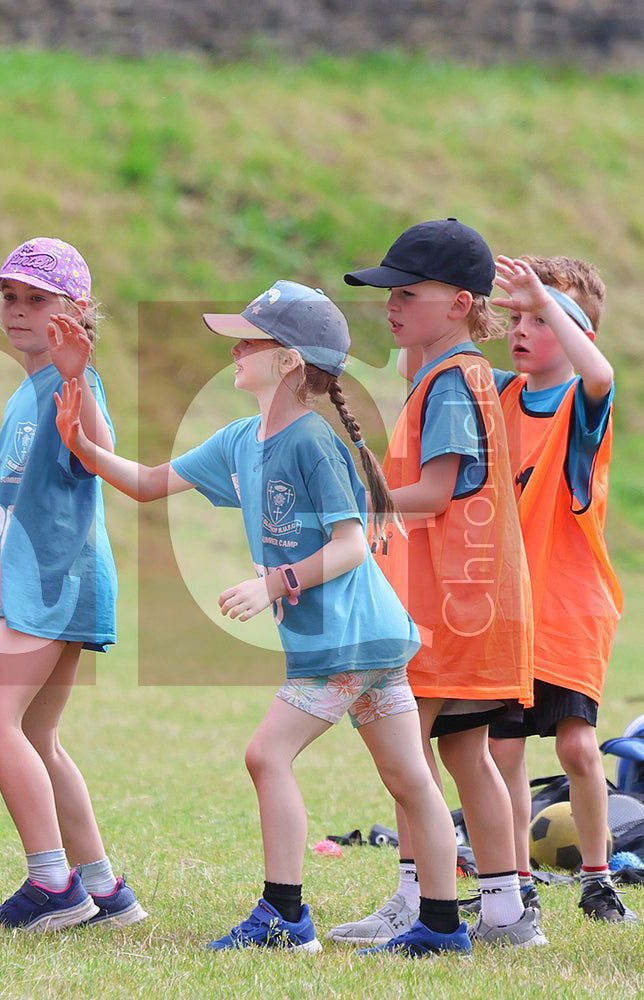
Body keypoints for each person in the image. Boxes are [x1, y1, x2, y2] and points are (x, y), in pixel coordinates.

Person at [57, 280, 468, 955]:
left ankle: (285, 917)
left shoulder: (311, 441)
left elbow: (351, 543)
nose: (236, 350)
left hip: (351, 639)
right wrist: (84, 446)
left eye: (251, 340)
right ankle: (444, 928)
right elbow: (149, 482)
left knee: (266, 755)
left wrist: (273, 583)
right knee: (409, 779)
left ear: (289, 363)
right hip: (365, 638)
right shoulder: (242, 439)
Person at [329, 219, 541, 948]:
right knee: (462, 753)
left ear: (458, 303)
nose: (390, 304)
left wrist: (353, 502)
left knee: (406, 757)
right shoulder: (457, 375)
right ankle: (510, 913)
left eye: (407, 292)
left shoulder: (451, 379)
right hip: (474, 601)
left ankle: (422, 904)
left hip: (444, 605)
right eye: (388, 291)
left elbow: (439, 492)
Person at [0, 238, 143, 931]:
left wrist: (78, 377)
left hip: (55, 580)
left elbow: (95, 451)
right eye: (9, 298)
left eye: (36, 299)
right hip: (42, 580)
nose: (16, 311)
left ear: (74, 312)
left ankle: (53, 884)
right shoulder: (28, 386)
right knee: (37, 736)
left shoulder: (74, 381)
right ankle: (106, 891)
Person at [485, 255, 631, 922]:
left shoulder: (581, 402)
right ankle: (517, 883)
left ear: (577, 332)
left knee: (576, 746)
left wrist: (547, 297)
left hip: (572, 604)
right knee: (502, 748)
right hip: (508, 606)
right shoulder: (497, 395)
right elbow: (423, 374)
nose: (521, 327)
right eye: (513, 316)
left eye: (539, 318)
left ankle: (598, 878)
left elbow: (599, 371)